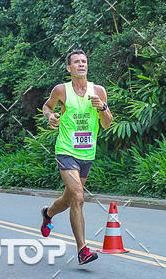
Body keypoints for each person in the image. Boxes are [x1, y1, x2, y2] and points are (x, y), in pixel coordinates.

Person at [40, 49, 112, 265]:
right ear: (68, 68)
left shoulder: (98, 91)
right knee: (79, 197)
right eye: (76, 62)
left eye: (84, 61)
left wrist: (103, 108)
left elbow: (107, 124)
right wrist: (50, 116)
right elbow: (47, 107)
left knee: (68, 199)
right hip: (66, 151)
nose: (81, 64)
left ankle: (48, 214)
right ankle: (82, 250)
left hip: (87, 153)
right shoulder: (61, 90)